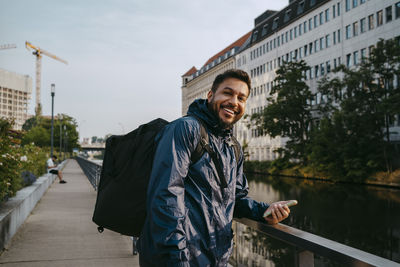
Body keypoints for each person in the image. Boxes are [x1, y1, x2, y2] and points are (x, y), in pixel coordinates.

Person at [138, 69, 292, 266]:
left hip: (214, 259)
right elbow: (165, 198)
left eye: (241, 98)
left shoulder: (233, 147)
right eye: (227, 93)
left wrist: (264, 211)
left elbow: (235, 199)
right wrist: (177, 259)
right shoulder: (186, 129)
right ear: (211, 95)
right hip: (178, 259)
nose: (234, 102)